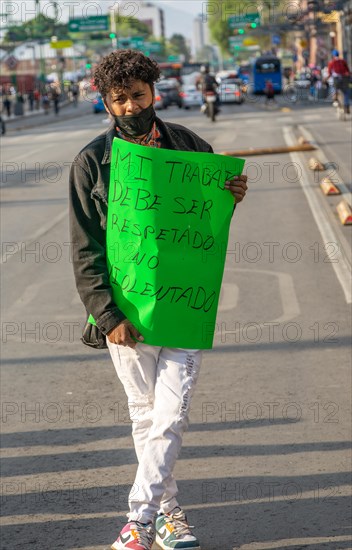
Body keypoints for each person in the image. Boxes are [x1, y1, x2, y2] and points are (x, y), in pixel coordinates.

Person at [69, 49, 248, 550]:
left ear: (155, 92)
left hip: (184, 307)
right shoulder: (91, 163)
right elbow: (84, 247)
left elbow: (205, 229)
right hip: (126, 315)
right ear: (106, 102)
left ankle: (138, 521)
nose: (130, 107)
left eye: (138, 95)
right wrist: (108, 316)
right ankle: (169, 516)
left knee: (171, 414)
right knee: (146, 414)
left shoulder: (192, 145)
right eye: (119, 99)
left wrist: (229, 195)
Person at [327, 49, 350, 114]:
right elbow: (347, 70)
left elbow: (329, 73)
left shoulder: (331, 62)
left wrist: (325, 79)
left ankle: (335, 100)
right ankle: (346, 105)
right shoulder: (343, 61)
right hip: (344, 79)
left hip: (336, 79)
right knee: (346, 92)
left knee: (333, 88)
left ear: (333, 55)